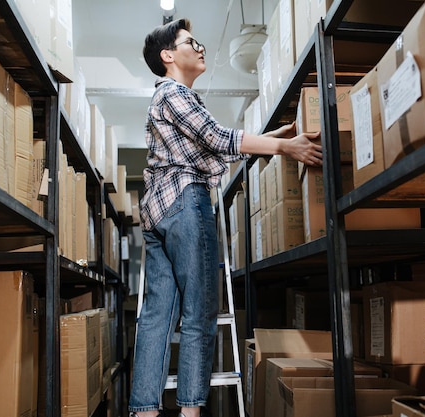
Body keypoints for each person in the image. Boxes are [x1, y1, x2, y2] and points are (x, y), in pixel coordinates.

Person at [129, 18, 322, 417]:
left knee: (155, 320)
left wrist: (274, 138)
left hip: (157, 214)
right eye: (190, 42)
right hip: (185, 202)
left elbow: (213, 147)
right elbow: (219, 138)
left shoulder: (166, 100)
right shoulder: (173, 92)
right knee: (198, 315)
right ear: (168, 56)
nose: (200, 48)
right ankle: (190, 412)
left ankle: (145, 412)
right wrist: (283, 149)